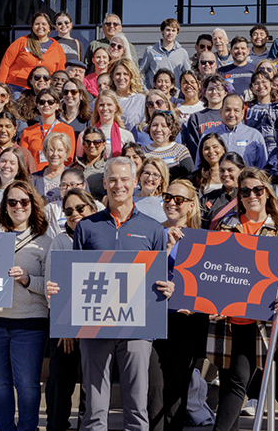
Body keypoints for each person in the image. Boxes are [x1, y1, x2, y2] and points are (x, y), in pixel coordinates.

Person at [72, 157, 172, 431]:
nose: (119, 185)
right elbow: (73, 276)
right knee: (94, 410)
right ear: (104, 183)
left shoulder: (153, 229)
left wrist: (168, 286)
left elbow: (162, 275)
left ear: (135, 182)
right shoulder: (86, 227)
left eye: (125, 179)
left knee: (137, 410)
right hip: (93, 326)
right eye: (113, 179)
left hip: (137, 327)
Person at [210, 167, 278, 431]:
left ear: (267, 192)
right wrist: (210, 300)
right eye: (245, 191)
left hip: (262, 321)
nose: (252, 195)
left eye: (257, 189)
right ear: (239, 196)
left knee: (237, 383)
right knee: (230, 385)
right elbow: (213, 268)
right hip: (226, 321)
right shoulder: (227, 225)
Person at [0, 180, 53, 431]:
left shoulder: (44, 241)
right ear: (4, 206)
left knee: (28, 385)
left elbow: (49, 287)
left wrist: (28, 279)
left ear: (33, 205)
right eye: (12, 201)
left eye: (24, 201)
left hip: (29, 323)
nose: (18, 206)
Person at [150, 179, 208, 431]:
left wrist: (196, 302)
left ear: (191, 206)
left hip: (188, 320)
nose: (171, 203)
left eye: (179, 199)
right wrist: (168, 246)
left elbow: (208, 280)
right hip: (154, 316)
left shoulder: (204, 238)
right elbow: (142, 273)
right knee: (154, 387)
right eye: (167, 197)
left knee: (177, 388)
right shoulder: (152, 231)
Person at [44, 187, 95, 431]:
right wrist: (66, 326)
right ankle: (56, 426)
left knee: (91, 384)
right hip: (66, 323)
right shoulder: (61, 241)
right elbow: (52, 285)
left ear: (92, 208)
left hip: (97, 322)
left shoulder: (102, 237)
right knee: (60, 379)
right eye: (68, 211)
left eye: (79, 208)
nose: (74, 214)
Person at [0, 12, 67, 92]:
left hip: (44, 90)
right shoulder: (21, 42)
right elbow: (6, 64)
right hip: (18, 87)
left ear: (49, 28)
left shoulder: (57, 48)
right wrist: (0, 87)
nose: (40, 27)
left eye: (44, 24)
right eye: (37, 24)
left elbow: (61, 71)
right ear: (32, 27)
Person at [202, 94, 267, 169]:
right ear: (221, 111)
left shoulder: (254, 136)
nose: (231, 114)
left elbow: (262, 168)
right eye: (227, 110)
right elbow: (200, 165)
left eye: (236, 111)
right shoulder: (208, 135)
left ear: (242, 114)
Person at [19, 87, 76, 170]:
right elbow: (23, 158)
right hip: (34, 177)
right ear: (37, 105)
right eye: (42, 102)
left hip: (59, 175)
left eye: (50, 102)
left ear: (57, 105)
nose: (46, 105)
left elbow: (69, 158)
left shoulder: (67, 129)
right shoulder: (28, 131)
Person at [80, 90, 136, 160]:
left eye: (109, 104)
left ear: (116, 108)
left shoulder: (127, 135)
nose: (105, 108)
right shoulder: (84, 135)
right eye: (101, 105)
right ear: (97, 108)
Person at [181, 75, 228, 156]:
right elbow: (193, 147)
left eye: (219, 89)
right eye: (210, 89)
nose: (214, 92)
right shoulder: (196, 118)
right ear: (204, 93)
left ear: (225, 93)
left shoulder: (230, 116)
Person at [142, 110, 194, 180]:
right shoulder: (143, 152)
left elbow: (191, 176)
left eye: (164, 126)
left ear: (171, 130)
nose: (158, 129)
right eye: (154, 125)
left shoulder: (180, 150)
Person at [140, 18, 190, 89]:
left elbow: (188, 76)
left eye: (173, 30)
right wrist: (146, 90)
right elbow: (141, 73)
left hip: (175, 95)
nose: (170, 33)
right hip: (155, 94)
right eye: (168, 30)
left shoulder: (182, 53)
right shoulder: (150, 51)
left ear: (177, 33)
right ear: (162, 31)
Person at [200, 152, 246, 230]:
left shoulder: (249, 197)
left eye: (230, 170)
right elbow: (197, 224)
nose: (225, 174)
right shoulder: (208, 198)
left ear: (241, 171)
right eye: (222, 170)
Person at [32, 132, 73, 203]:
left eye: (60, 150)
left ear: (66, 152)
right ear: (45, 151)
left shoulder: (75, 177)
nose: (55, 154)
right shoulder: (33, 179)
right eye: (51, 150)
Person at [74, 128, 109, 200]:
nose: (92, 145)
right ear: (83, 144)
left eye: (97, 142)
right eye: (88, 142)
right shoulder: (73, 166)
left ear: (104, 144)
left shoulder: (108, 168)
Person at [134, 157, 169, 223]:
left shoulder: (167, 202)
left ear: (161, 181)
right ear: (140, 176)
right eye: (146, 173)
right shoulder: (129, 202)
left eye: (155, 175)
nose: (150, 178)